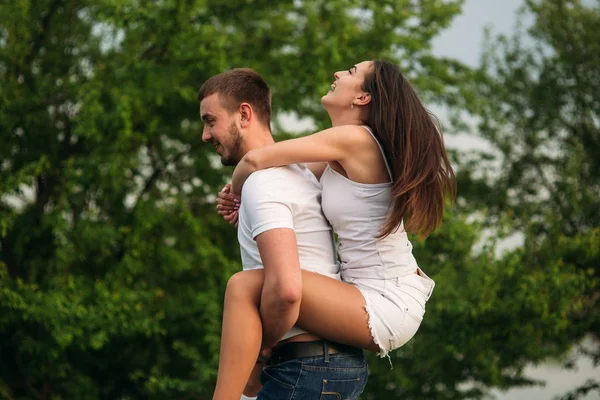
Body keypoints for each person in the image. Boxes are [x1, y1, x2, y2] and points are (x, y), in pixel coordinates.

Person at [213, 60, 457, 400]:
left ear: (362, 98)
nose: (338, 75)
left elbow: (255, 161)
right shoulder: (340, 153)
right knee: (255, 292)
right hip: (369, 290)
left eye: (351, 73)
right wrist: (245, 200)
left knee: (243, 288)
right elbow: (285, 176)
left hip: (385, 300)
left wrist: (235, 192)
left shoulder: (354, 139)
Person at [198, 68, 369, 400]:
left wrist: (259, 346)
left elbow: (287, 291)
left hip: (305, 366)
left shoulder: (265, 182)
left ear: (244, 114)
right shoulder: (299, 173)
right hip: (332, 361)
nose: (205, 135)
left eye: (210, 120)